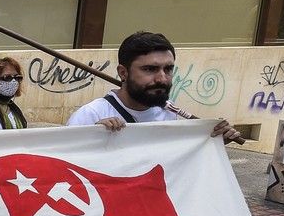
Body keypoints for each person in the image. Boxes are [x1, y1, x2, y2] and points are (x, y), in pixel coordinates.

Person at [67, 31, 241, 142]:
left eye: (168, 69)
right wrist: (92, 136)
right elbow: (62, 168)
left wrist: (213, 142)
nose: (162, 79)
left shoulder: (169, 112)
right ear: (123, 72)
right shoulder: (91, 115)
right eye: (150, 69)